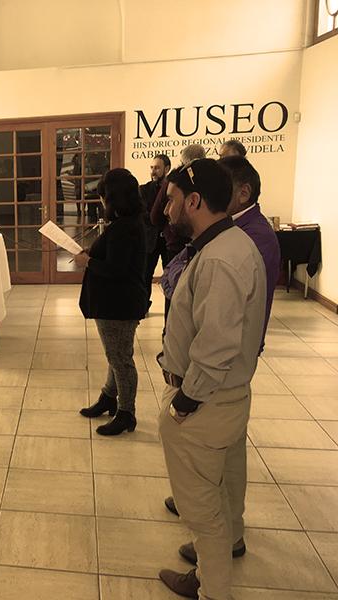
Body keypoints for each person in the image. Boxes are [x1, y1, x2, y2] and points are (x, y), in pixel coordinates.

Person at [161, 156, 281, 564]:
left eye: (172, 199)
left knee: (202, 508)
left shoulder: (222, 256)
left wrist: (185, 402)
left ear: (194, 201)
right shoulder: (225, 244)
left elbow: (217, 342)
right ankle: (217, 563)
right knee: (221, 483)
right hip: (223, 391)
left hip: (210, 397)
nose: (166, 208)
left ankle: (211, 587)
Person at [75, 169, 147, 436]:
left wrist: (89, 261)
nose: (102, 202)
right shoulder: (127, 223)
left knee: (120, 359)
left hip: (119, 304)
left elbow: (117, 269)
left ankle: (126, 412)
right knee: (114, 354)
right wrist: (92, 253)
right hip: (115, 302)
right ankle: (108, 398)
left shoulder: (126, 228)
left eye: (104, 197)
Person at [150, 144, 206, 320]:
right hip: (200, 241)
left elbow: (156, 215)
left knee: (174, 289)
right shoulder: (210, 181)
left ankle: (170, 334)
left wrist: (168, 229)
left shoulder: (175, 180)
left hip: (177, 243)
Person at [140, 154, 171, 309]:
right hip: (150, 239)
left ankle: (170, 309)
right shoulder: (143, 190)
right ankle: (143, 307)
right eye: (152, 167)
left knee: (171, 276)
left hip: (168, 240)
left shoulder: (174, 190)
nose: (153, 171)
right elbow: (144, 215)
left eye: (157, 168)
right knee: (145, 275)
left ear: (167, 169)